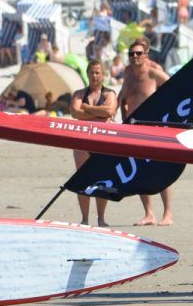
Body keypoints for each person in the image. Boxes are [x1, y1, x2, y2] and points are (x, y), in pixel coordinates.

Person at [119, 38, 173, 226]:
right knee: (140, 170)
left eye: (138, 53)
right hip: (133, 128)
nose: (134, 57)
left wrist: (165, 116)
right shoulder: (127, 73)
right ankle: (149, 213)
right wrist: (123, 119)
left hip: (154, 128)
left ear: (146, 55)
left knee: (160, 169)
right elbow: (123, 98)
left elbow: (174, 89)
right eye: (131, 54)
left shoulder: (154, 72)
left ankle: (167, 213)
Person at [69, 59, 117, 226]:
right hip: (82, 142)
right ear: (87, 74)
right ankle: (84, 218)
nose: (94, 76)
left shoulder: (109, 93)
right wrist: (100, 115)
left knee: (101, 179)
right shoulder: (79, 94)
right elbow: (75, 112)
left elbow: (110, 110)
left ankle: (101, 218)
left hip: (103, 142)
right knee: (83, 179)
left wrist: (87, 109)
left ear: (103, 75)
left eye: (98, 72)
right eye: (92, 72)